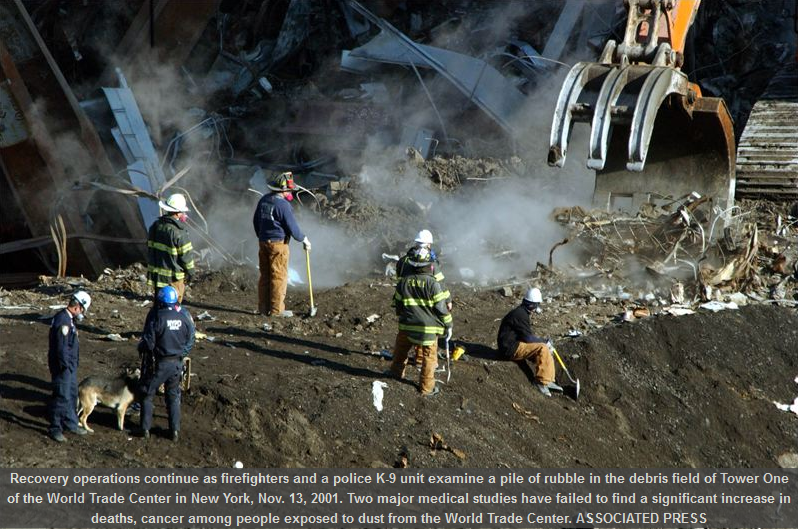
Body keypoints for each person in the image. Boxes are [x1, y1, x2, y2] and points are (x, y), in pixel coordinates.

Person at [388, 247, 452, 396]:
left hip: (406, 326)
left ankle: (395, 373)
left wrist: (403, 315)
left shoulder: (403, 282)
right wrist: (449, 325)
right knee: (429, 359)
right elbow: (441, 308)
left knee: (401, 350)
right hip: (428, 330)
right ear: (429, 265)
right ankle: (426, 388)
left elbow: (397, 304)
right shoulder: (433, 284)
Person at [137, 286, 195, 441]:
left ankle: (144, 429)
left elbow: (149, 343)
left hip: (160, 364)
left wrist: (141, 347)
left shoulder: (158, 317)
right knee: (173, 396)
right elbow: (190, 339)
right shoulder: (184, 317)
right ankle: (174, 431)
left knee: (147, 393)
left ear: (160, 301)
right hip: (176, 364)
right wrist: (182, 355)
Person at [253, 171, 311, 317]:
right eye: (289, 190)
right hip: (278, 245)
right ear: (283, 190)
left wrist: (262, 236)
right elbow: (292, 227)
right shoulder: (283, 205)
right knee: (278, 277)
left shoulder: (264, 200)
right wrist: (303, 239)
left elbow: (256, 221)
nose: (291, 192)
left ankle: (263, 309)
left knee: (265, 276)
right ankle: (277, 311)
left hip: (263, 243)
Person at [496, 287, 562, 397]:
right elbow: (528, 339)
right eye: (537, 305)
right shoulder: (520, 315)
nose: (537, 308)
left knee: (543, 348)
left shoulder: (520, 312)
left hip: (511, 345)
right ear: (532, 305)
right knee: (542, 348)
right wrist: (545, 341)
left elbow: (526, 336)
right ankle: (541, 382)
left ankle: (548, 379)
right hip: (509, 348)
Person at [47, 291, 91, 442]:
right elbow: (61, 348)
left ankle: (71, 423)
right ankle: (55, 428)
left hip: (69, 367)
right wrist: (66, 366)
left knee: (72, 395)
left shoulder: (69, 320)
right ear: (78, 307)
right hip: (63, 367)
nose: (83, 314)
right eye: (83, 310)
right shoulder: (63, 321)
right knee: (62, 397)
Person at [147, 193, 195, 303]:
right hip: (174, 280)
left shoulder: (155, 226)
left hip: (158, 278)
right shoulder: (178, 232)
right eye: (182, 212)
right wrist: (191, 272)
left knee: (160, 305)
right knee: (174, 307)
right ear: (178, 213)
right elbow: (185, 256)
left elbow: (150, 248)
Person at [396, 229, 452, 311]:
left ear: (416, 243)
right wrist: (448, 300)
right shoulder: (431, 263)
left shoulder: (403, 261)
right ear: (429, 245)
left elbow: (399, 281)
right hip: (427, 303)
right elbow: (440, 283)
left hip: (408, 302)